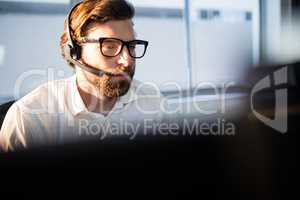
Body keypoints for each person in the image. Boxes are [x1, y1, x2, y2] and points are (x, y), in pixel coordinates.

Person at [0, 0, 165, 152]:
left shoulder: (153, 102)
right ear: (74, 52)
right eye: (109, 46)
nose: (127, 60)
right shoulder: (30, 118)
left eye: (131, 46)